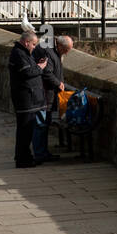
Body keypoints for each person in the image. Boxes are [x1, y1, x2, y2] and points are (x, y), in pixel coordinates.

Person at [8, 31, 48, 168]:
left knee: (26, 131)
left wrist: (36, 64)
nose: (34, 47)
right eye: (33, 44)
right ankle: (22, 159)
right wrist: (40, 67)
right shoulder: (19, 53)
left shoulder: (23, 52)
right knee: (24, 131)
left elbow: (28, 69)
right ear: (26, 42)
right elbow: (27, 72)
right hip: (25, 98)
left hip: (29, 98)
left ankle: (24, 157)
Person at [33, 34, 72, 164]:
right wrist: (58, 83)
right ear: (60, 46)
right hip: (44, 95)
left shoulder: (52, 50)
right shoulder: (48, 52)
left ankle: (43, 152)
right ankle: (40, 153)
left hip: (48, 96)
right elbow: (46, 73)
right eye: (66, 50)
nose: (66, 53)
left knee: (44, 124)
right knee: (41, 125)